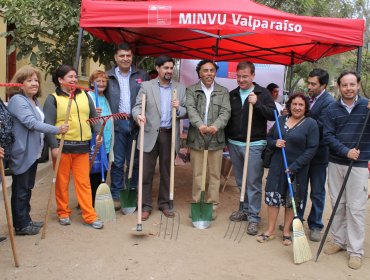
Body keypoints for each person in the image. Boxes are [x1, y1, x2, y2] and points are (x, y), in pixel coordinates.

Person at [7, 66, 69, 236]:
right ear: (20, 84)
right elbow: (31, 123)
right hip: (22, 151)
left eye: (36, 80)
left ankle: (26, 220)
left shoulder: (34, 101)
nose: (34, 83)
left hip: (34, 152)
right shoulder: (17, 100)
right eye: (29, 80)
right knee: (21, 189)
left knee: (27, 187)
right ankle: (20, 225)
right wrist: (57, 130)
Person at [44, 64, 104, 229]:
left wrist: (98, 133)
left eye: (75, 76)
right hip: (62, 147)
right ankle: (63, 212)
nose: (74, 79)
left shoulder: (85, 95)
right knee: (62, 182)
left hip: (82, 147)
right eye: (70, 77)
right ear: (60, 80)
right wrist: (53, 146)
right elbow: (48, 124)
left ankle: (89, 215)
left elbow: (93, 118)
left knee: (84, 182)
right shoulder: (53, 98)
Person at [323, 71, 370, 270]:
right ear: (338, 87)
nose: (349, 88)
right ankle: (339, 241)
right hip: (336, 163)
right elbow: (327, 135)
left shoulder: (367, 106)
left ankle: (356, 250)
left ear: (358, 85)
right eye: (344, 85)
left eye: (352, 84)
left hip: (360, 164)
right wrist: (345, 151)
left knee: (356, 207)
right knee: (338, 203)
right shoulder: (331, 108)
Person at [257, 93, 319, 245]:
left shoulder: (311, 124)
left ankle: (286, 232)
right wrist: (275, 143)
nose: (297, 107)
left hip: (297, 169)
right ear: (289, 105)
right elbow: (268, 138)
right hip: (277, 166)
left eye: (301, 105)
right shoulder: (280, 120)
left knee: (291, 201)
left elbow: (312, 148)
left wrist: (295, 167)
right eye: (294, 104)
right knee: (273, 198)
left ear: (306, 107)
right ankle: (270, 230)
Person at [132, 55, 186, 220]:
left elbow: (186, 111)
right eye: (166, 68)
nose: (169, 71)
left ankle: (165, 203)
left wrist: (179, 109)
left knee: (167, 172)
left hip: (168, 134)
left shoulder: (180, 88)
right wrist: (138, 117)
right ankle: (145, 205)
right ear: (158, 68)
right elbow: (137, 107)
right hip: (149, 134)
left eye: (171, 68)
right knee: (146, 173)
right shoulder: (147, 86)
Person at [225, 61, 275, 235]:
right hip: (234, 143)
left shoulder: (263, 93)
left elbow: (272, 114)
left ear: (253, 75)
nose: (241, 79)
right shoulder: (232, 95)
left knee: (253, 182)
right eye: (238, 76)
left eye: (245, 76)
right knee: (240, 181)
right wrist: (226, 140)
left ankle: (254, 217)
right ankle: (244, 210)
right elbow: (228, 120)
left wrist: (258, 104)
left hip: (254, 144)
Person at [106, 42, 149, 211]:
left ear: (132, 57)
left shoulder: (142, 75)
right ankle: (116, 194)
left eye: (128, 56)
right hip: (116, 123)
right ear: (116, 57)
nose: (125, 59)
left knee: (135, 160)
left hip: (136, 123)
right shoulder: (108, 76)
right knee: (117, 161)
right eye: (122, 56)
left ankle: (132, 191)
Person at [186, 59, 230, 219]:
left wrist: (215, 126)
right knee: (198, 174)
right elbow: (190, 109)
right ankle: (197, 204)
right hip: (197, 137)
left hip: (216, 139)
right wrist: (200, 126)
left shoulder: (223, 91)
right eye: (205, 70)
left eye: (211, 70)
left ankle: (212, 207)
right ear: (199, 73)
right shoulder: (191, 90)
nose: (209, 74)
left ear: (215, 72)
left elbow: (226, 112)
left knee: (214, 175)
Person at [296, 68, 335, 242]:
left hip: (319, 155)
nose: (309, 86)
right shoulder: (309, 98)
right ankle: (297, 220)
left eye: (313, 84)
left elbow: (320, 126)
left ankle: (316, 225)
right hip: (304, 153)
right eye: (309, 83)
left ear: (323, 85)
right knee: (301, 189)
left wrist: (300, 121)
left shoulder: (329, 102)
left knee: (317, 192)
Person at [87, 70, 114, 205]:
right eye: (98, 81)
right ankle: (90, 202)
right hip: (94, 142)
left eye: (104, 81)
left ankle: (99, 200)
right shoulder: (89, 97)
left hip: (106, 141)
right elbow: (85, 117)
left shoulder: (105, 98)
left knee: (103, 170)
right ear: (92, 83)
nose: (102, 84)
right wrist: (91, 113)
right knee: (94, 172)